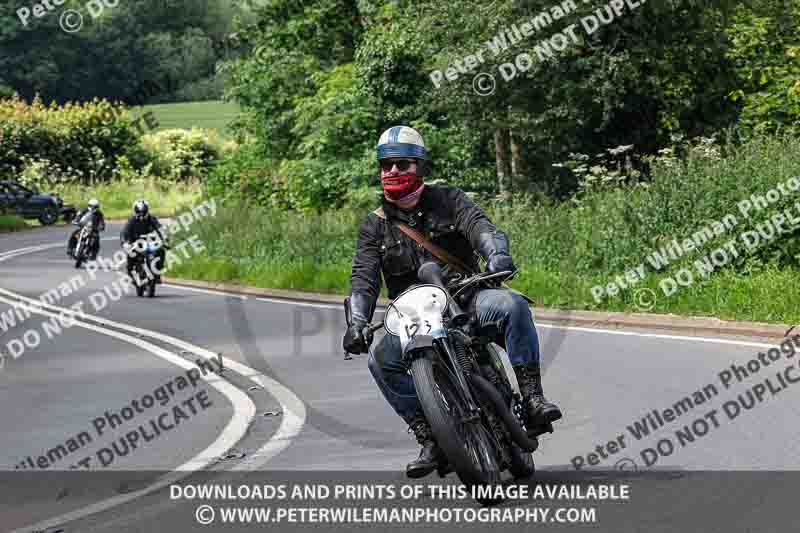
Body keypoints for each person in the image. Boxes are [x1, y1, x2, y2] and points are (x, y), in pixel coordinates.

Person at [342, 126, 562, 479]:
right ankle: (428, 434)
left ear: (420, 167)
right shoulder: (374, 227)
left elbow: (481, 227)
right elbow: (363, 277)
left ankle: (533, 398)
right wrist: (356, 321)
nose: (392, 172)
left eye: (401, 164)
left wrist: (496, 255)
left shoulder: (449, 199)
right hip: (413, 317)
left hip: (466, 298)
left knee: (512, 307)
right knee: (378, 360)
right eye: (386, 166)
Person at [120, 199, 166, 283]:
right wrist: (125, 242)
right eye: (139, 212)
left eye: (143, 212)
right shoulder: (131, 220)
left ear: (147, 210)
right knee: (131, 254)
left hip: (149, 242)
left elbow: (159, 228)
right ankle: (130, 272)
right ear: (135, 211)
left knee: (161, 250)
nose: (141, 214)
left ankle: (158, 272)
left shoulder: (151, 219)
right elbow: (124, 232)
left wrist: (164, 238)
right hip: (135, 242)